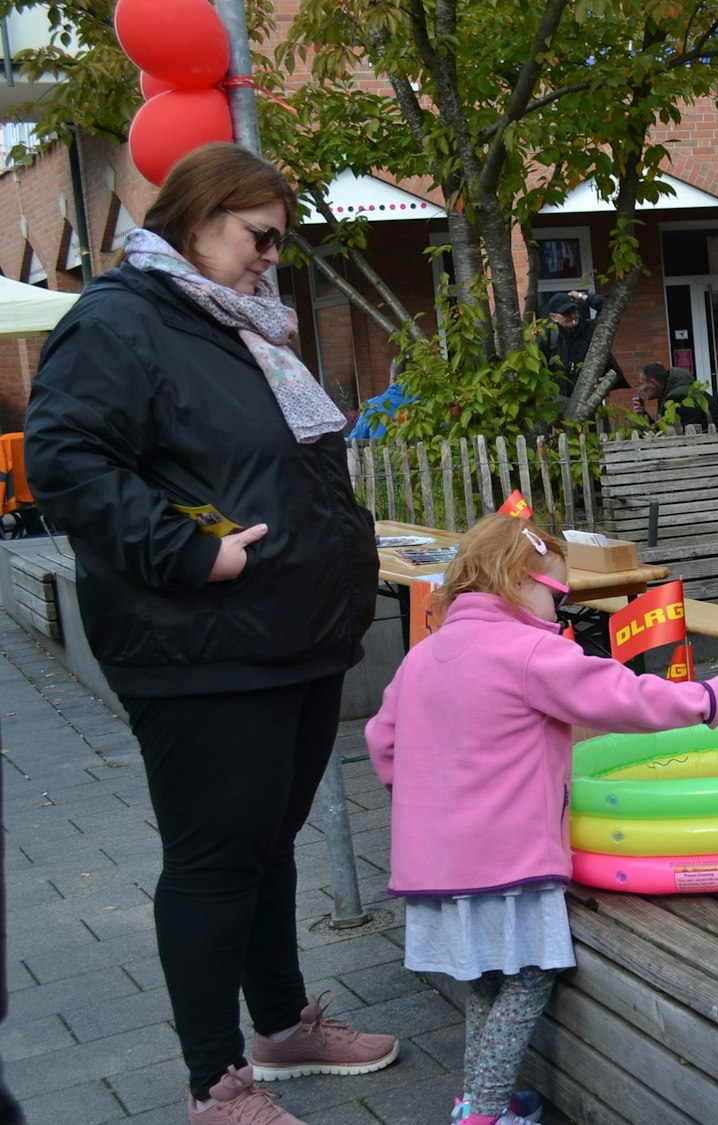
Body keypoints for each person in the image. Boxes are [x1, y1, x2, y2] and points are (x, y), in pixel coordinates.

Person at [24, 142, 394, 1124]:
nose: (272, 259)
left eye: (280, 243)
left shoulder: (236, 324)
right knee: (215, 862)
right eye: (260, 237)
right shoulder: (121, 320)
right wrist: (192, 551)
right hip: (202, 645)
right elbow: (64, 459)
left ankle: (280, 1026)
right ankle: (215, 1084)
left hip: (290, 634)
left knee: (267, 847)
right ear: (197, 217)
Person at [366, 515, 718, 1125]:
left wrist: (429, 804)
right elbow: (624, 696)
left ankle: (480, 1098)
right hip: (508, 860)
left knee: (486, 981)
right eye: (558, 594)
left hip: (435, 865)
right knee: (529, 977)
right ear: (519, 581)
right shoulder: (531, 652)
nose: (560, 609)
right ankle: (484, 1116)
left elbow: (382, 741)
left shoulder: (424, 656)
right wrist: (710, 699)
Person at [539, 289, 623, 403]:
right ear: (553, 317)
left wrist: (581, 296)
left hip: (588, 402)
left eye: (574, 311)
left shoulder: (589, 330)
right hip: (559, 403)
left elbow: (609, 308)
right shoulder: (548, 337)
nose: (572, 316)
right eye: (566, 313)